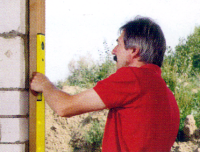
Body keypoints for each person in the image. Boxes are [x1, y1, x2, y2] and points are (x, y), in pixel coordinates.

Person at [30, 16, 180, 152]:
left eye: (119, 44)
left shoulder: (133, 78)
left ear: (134, 51)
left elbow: (64, 107)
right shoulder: (168, 97)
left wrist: (44, 84)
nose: (113, 51)